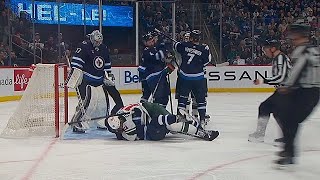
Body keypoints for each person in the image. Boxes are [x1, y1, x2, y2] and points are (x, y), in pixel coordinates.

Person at [275, 23, 320, 165]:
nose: (291, 37)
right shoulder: (315, 49)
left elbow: (297, 70)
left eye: (293, 34)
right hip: (312, 91)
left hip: (305, 91)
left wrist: (287, 86)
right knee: (288, 118)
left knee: (289, 119)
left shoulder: (301, 51)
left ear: (298, 35)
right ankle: (289, 151)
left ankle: (289, 152)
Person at [66, 30, 110, 133]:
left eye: (99, 42)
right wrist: (73, 77)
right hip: (86, 80)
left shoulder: (104, 48)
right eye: (96, 41)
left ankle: (102, 120)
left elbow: (107, 64)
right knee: (86, 102)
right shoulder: (84, 46)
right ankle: (77, 122)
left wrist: (108, 76)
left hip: (99, 81)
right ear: (91, 39)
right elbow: (77, 64)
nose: (97, 44)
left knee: (103, 102)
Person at [248, 39, 292, 143]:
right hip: (285, 91)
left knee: (265, 107)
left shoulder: (281, 58)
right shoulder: (278, 58)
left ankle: (260, 134)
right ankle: (288, 136)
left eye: (266, 49)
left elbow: (281, 77)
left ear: (273, 48)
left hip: (287, 91)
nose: (264, 52)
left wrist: (263, 80)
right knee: (277, 112)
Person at [105, 102, 219, 141]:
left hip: (151, 110)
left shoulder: (122, 113)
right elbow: (139, 129)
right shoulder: (126, 134)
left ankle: (183, 121)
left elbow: (138, 108)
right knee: (171, 127)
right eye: (118, 128)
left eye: (119, 122)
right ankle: (180, 119)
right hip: (151, 125)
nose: (121, 126)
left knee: (172, 127)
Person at [173, 30, 211, 128]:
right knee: (200, 100)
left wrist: (179, 43)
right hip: (198, 77)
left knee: (183, 98)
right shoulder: (204, 48)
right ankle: (202, 119)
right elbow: (206, 62)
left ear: (190, 38)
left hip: (185, 77)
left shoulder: (183, 45)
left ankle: (181, 117)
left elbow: (175, 47)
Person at [139, 32, 173, 107]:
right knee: (158, 98)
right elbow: (157, 57)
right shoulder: (146, 50)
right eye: (149, 41)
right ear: (145, 42)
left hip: (159, 76)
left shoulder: (154, 48)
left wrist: (168, 57)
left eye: (152, 40)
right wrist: (163, 47)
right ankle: (155, 114)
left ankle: (161, 113)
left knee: (165, 97)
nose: (152, 42)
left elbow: (162, 59)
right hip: (154, 77)